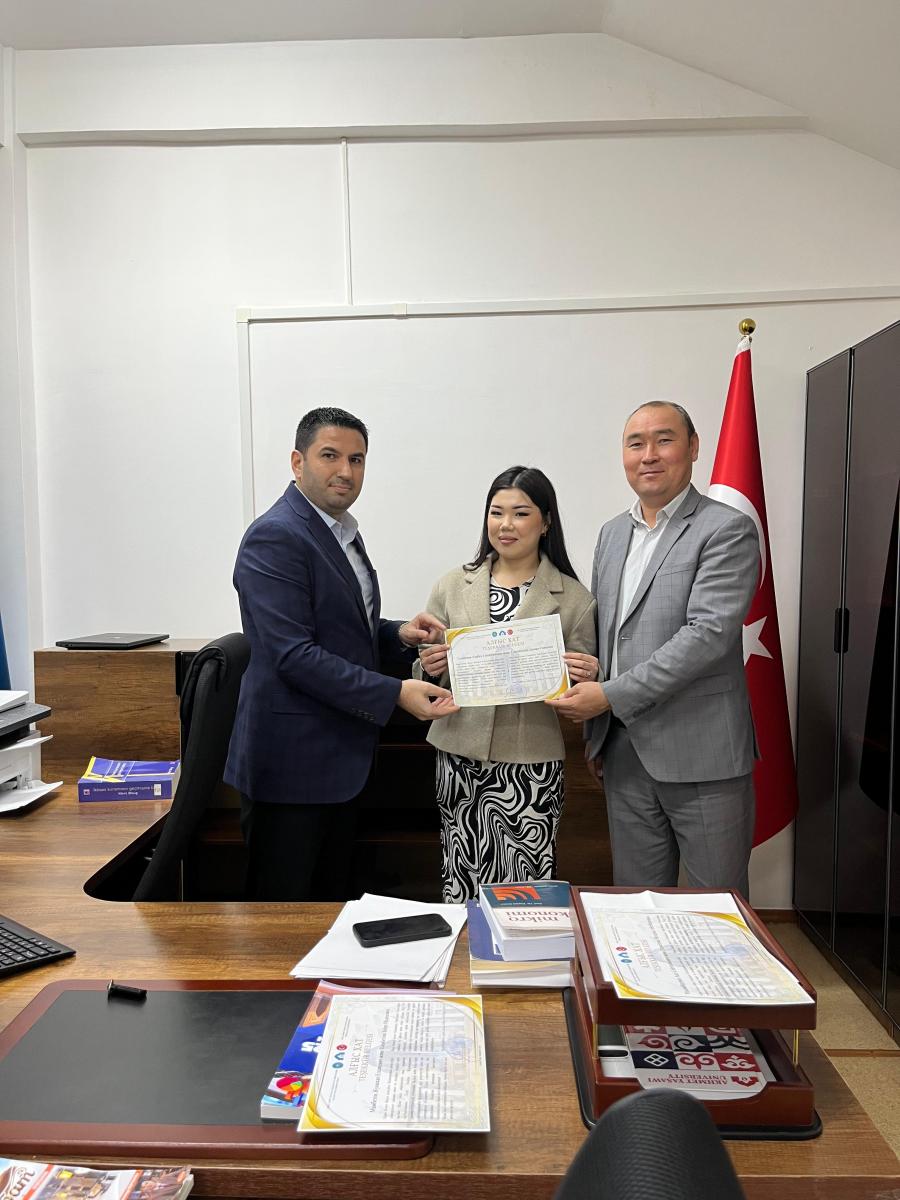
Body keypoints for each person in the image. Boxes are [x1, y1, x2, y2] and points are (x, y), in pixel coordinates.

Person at [225, 406, 457, 901]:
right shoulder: (276, 535)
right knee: (283, 922)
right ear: (297, 462)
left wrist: (399, 635)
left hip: (338, 762)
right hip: (290, 769)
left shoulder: (341, 531)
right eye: (330, 456)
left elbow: (342, 630)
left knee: (328, 911)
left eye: (357, 459)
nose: (346, 471)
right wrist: (394, 692)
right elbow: (293, 655)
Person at [547, 401, 759, 897]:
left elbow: (707, 635)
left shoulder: (725, 528)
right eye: (635, 443)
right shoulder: (612, 533)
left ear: (693, 447)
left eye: (664, 440)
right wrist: (597, 725)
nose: (649, 455)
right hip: (623, 754)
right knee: (636, 905)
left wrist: (609, 697)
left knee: (715, 907)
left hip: (702, 753)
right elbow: (610, 634)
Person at [416, 466, 598, 902]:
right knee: (461, 873)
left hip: (529, 762)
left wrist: (586, 674)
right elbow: (423, 673)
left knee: (524, 887)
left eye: (520, 513)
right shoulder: (451, 585)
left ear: (546, 522)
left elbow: (581, 686)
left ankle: (522, 949)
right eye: (496, 512)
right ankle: (467, 948)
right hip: (459, 757)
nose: (506, 525)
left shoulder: (575, 598)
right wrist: (429, 664)